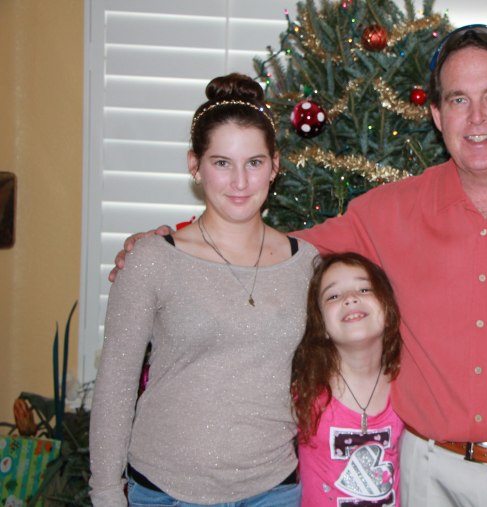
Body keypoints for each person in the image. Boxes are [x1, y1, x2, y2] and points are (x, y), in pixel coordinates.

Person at [110, 25, 487, 506]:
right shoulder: (391, 211)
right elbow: (270, 250)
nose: (476, 119)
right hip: (425, 477)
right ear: (437, 116)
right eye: (458, 100)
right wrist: (177, 242)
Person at [89, 73, 319, 507]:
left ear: (275, 165)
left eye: (254, 162)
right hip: (165, 490)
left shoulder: (307, 263)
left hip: (273, 489)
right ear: (194, 165)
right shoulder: (152, 258)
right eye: (221, 162)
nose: (239, 182)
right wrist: (105, 491)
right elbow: (116, 385)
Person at [291, 252, 404, 506]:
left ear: (387, 308)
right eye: (333, 296)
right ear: (321, 325)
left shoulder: (407, 385)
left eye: (364, 289)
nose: (350, 298)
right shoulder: (304, 391)